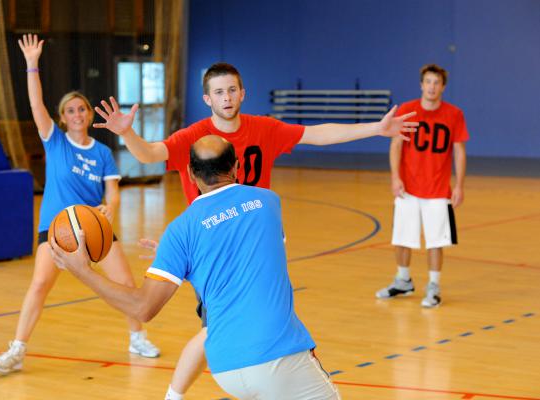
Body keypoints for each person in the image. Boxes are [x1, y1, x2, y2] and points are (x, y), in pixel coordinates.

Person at [94, 62, 418, 399]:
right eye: (219, 92)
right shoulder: (196, 139)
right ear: (207, 98)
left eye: (232, 89)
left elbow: (317, 134)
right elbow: (150, 154)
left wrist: (376, 129)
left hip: (257, 240)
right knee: (219, 327)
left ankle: (220, 384)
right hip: (219, 243)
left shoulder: (263, 128)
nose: (227, 97)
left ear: (243, 92)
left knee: (229, 324)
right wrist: (127, 133)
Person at [50, 135, 342, 399]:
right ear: (237, 167)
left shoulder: (180, 231)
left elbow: (142, 308)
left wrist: (84, 270)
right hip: (277, 356)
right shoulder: (268, 202)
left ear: (190, 174)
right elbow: (251, 255)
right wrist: (187, 259)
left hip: (226, 367)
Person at [0, 34, 159, 375]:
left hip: (93, 229)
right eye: (70, 110)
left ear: (88, 112)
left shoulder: (102, 153)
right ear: (62, 118)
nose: (77, 113)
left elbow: (112, 191)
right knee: (39, 285)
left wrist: (108, 208)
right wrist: (32, 64)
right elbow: (36, 105)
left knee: (126, 285)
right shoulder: (55, 142)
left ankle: (136, 337)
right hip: (55, 228)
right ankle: (18, 349)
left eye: (81, 108)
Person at [375, 63, 469, 308]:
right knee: (402, 237)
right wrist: (395, 177)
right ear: (421, 84)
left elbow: (459, 151)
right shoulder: (407, 110)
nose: (432, 86)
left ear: (443, 87)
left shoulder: (454, 114)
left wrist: (459, 185)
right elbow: (395, 145)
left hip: (438, 189)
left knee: (436, 240)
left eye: (436, 82)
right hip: (408, 187)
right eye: (428, 81)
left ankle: (434, 286)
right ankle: (403, 280)